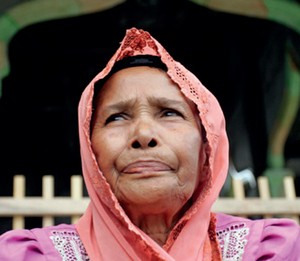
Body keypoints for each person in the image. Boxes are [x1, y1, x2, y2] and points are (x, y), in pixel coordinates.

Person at [0, 27, 299, 260]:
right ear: (90, 151)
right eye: (116, 117)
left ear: (207, 146)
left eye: (170, 113)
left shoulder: (276, 252)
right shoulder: (24, 256)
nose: (143, 134)